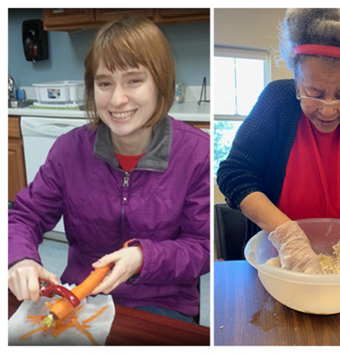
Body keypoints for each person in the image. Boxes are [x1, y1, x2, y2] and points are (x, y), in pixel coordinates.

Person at [8, 17, 210, 323]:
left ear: (161, 83)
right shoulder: (68, 150)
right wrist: (20, 259)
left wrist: (145, 258)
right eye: (104, 83)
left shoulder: (197, 152)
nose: (117, 99)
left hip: (162, 302)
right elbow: (24, 216)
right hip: (81, 296)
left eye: (134, 80)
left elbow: (203, 246)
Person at [217, 8, 340, 273]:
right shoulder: (276, 101)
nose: (328, 109)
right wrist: (286, 235)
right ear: (297, 81)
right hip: (278, 265)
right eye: (314, 93)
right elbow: (234, 175)